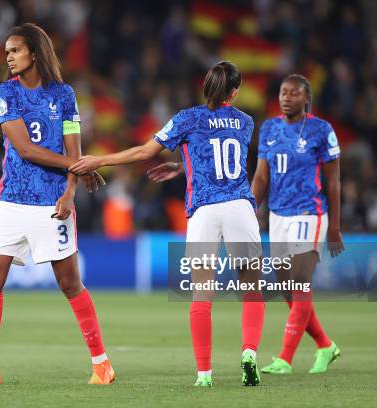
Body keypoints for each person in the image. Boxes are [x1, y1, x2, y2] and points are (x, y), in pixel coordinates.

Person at [70, 61, 265, 387]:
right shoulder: (246, 122)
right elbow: (221, 158)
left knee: (202, 294)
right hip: (239, 208)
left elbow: (145, 151)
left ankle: (204, 374)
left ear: (205, 86)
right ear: (235, 91)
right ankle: (249, 353)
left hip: (204, 211)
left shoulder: (187, 118)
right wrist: (182, 165)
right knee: (252, 290)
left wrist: (100, 159)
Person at [0, 23, 113, 386]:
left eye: (15, 50)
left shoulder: (65, 95)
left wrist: (70, 190)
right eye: (6, 51)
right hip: (10, 200)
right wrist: (77, 167)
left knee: (69, 282)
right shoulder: (4, 93)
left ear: (34, 53)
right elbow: (25, 149)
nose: (8, 57)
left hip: (52, 201)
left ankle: (102, 364)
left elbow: (75, 148)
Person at [251, 74, 343, 375]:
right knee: (288, 290)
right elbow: (262, 176)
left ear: (307, 99)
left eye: (293, 93)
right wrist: (251, 211)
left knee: (300, 281)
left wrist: (334, 227)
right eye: (282, 92)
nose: (286, 97)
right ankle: (326, 345)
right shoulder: (270, 128)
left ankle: (285, 358)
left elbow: (334, 181)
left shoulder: (321, 130)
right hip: (278, 215)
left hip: (310, 213)